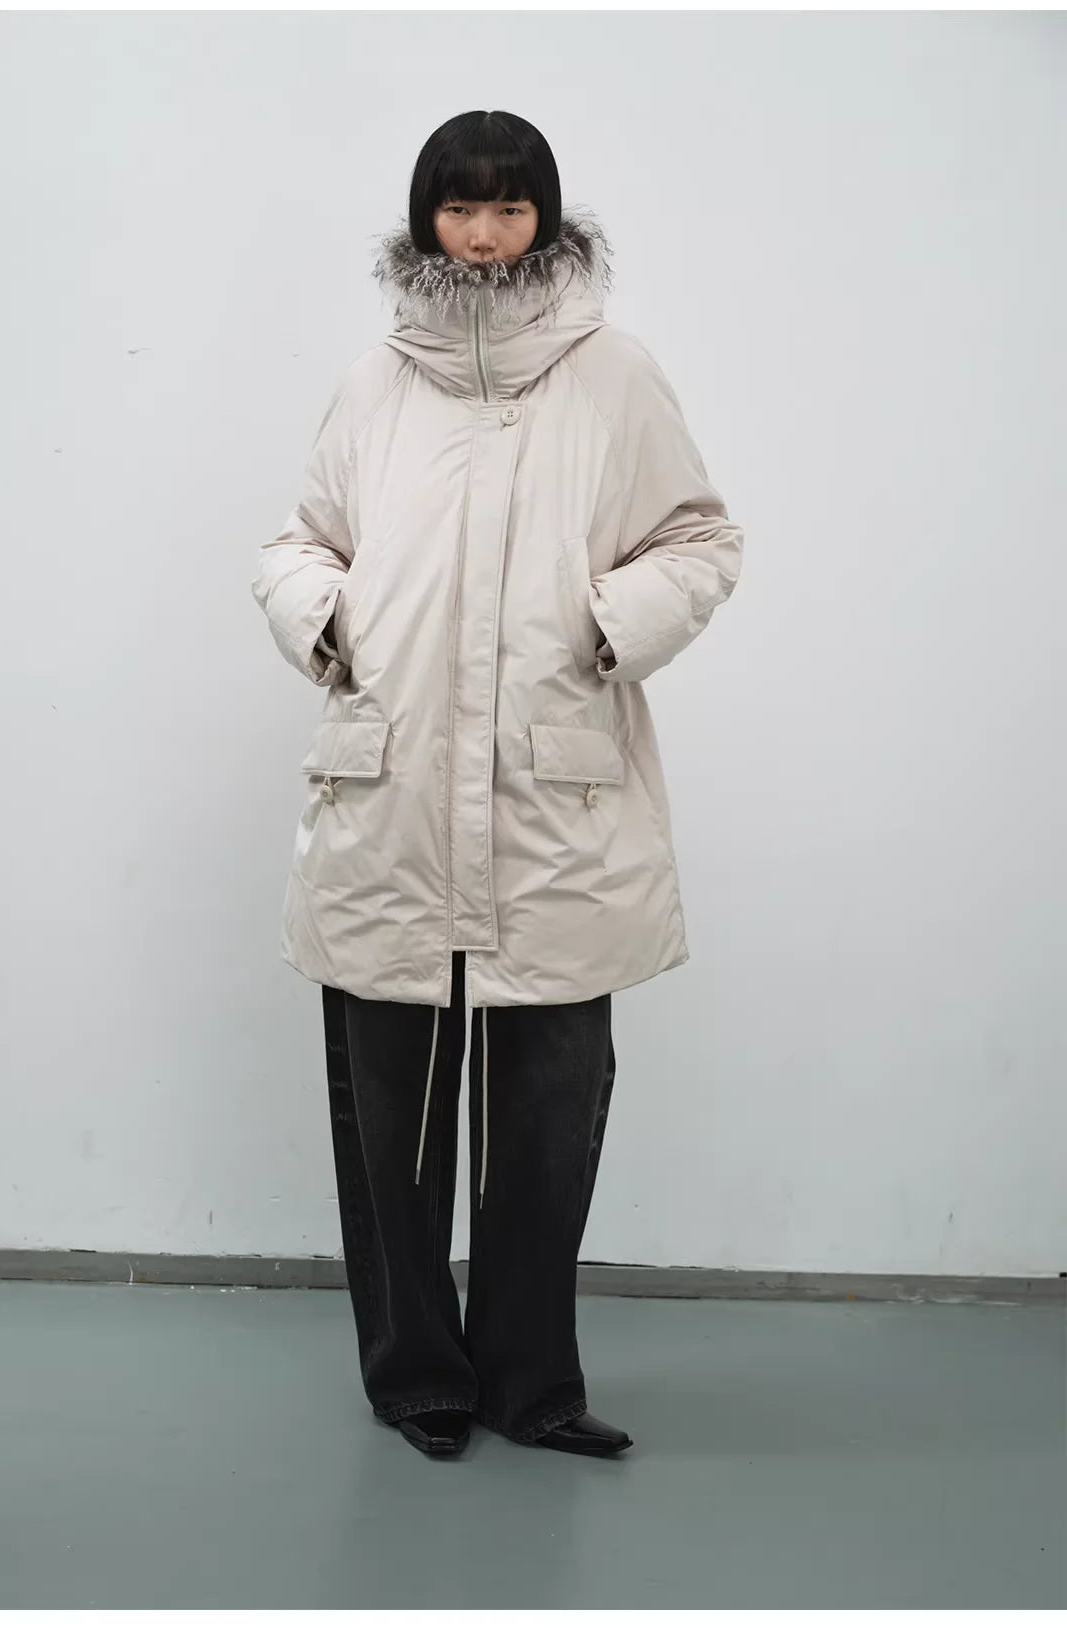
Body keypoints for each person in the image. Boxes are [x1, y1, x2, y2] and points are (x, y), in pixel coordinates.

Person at [251, 110, 744, 1459]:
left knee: (543, 1120)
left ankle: (532, 1385)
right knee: (392, 1128)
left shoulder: (613, 376)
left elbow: (699, 539)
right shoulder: (375, 383)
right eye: (459, 208)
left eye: (510, 208)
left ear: (547, 218)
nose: (482, 235)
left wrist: (603, 622)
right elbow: (298, 542)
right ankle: (418, 1375)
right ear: (425, 219)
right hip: (392, 795)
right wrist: (334, 621)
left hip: (554, 795)